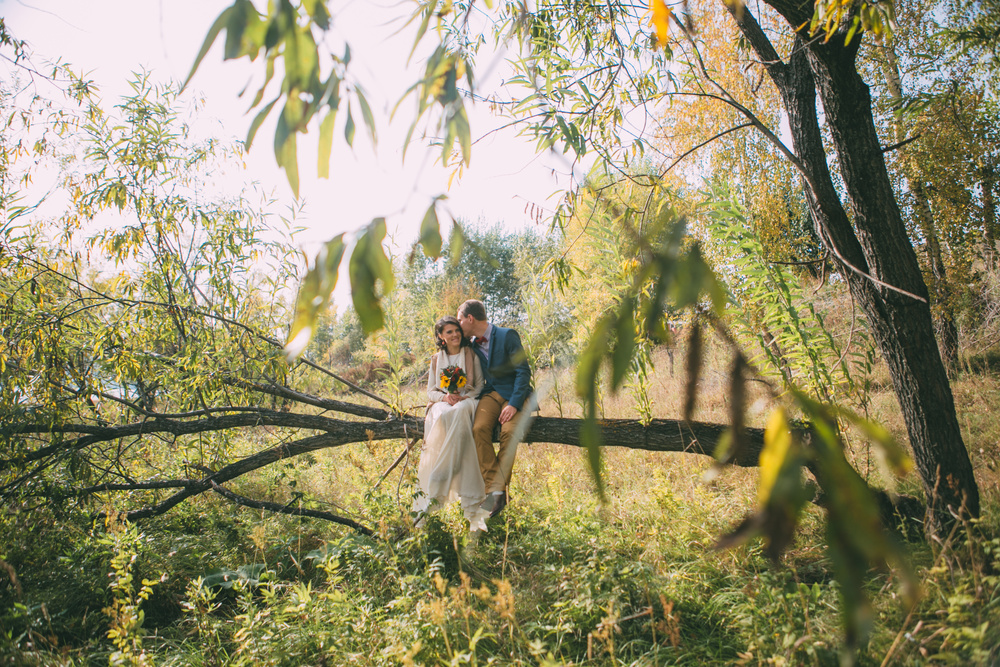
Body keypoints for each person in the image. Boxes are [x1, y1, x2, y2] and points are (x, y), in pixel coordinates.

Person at [456, 299, 532, 518]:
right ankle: (497, 488)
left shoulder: (507, 335)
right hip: (491, 393)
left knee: (509, 433)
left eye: (460, 319)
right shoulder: (471, 344)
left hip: (516, 393)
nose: (459, 324)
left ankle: (495, 494)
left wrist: (515, 404)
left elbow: (523, 372)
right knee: (478, 429)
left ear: (470, 319)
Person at [413, 316, 489, 531]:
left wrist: (464, 398)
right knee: (446, 414)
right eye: (449, 332)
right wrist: (445, 398)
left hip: (468, 401)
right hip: (444, 403)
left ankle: (439, 480)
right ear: (440, 336)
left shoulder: (470, 354)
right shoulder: (437, 359)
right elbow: (430, 391)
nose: (455, 335)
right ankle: (472, 507)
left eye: (456, 330)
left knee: (461, 411)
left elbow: (480, 386)